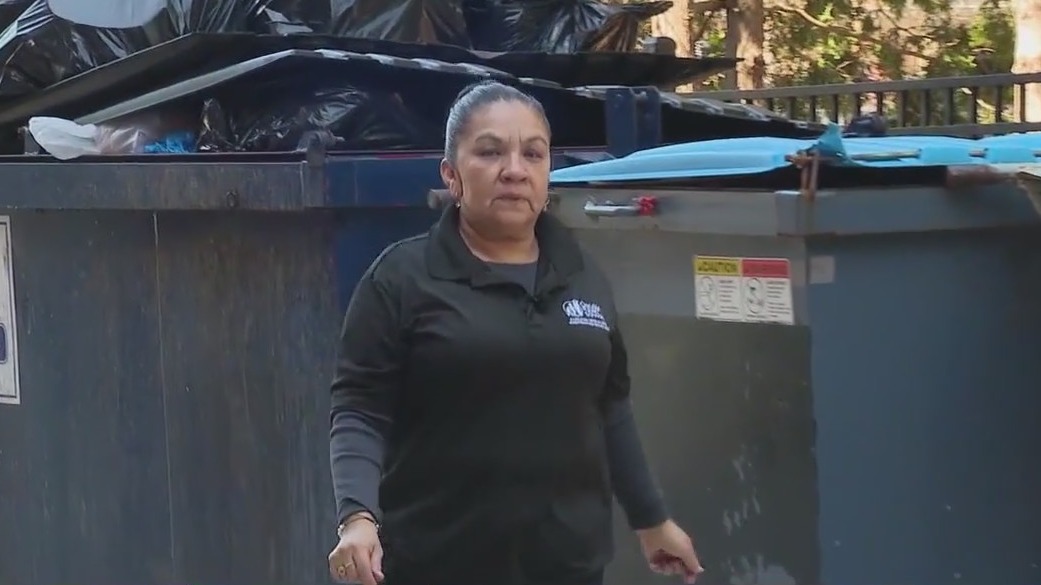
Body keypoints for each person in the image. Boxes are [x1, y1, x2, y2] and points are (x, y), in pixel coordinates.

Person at [327, 80, 703, 585]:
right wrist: (358, 519)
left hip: (567, 566)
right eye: (489, 152)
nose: (514, 169)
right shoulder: (402, 278)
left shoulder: (582, 274)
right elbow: (359, 410)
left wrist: (652, 520)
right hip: (438, 565)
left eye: (533, 153)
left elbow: (609, 408)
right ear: (452, 175)